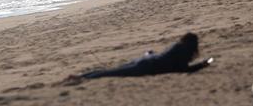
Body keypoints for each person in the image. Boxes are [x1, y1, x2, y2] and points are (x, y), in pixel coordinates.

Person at [78, 33, 211, 80]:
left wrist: (149, 53)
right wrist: (202, 65)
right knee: (111, 74)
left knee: (111, 71)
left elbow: (162, 57)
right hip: (148, 66)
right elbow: (182, 69)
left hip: (146, 59)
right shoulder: (183, 51)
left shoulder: (175, 46)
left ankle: (81, 76)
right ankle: (84, 78)